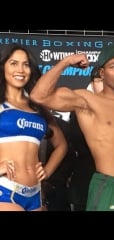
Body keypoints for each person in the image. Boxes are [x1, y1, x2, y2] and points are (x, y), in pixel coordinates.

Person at [30, 44, 114, 211]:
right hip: (110, 188)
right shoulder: (88, 102)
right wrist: (66, 61)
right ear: (102, 73)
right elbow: (38, 96)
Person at [0, 43, 67, 211]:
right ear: (3, 67)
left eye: (26, 64)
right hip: (6, 191)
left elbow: (62, 146)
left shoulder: (39, 108)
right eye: (13, 63)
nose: (20, 70)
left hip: (35, 194)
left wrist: (47, 171)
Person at [68, 66, 103, 211]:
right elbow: (78, 143)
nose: (103, 84)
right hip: (85, 177)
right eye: (99, 80)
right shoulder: (79, 108)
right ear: (92, 82)